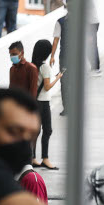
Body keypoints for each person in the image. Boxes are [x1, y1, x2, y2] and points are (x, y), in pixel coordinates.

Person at [30, 38, 62, 170]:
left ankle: (32, 158)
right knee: (47, 130)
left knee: (35, 131)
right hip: (43, 102)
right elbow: (47, 87)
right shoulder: (45, 67)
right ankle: (45, 158)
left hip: (34, 101)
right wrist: (58, 77)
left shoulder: (33, 65)